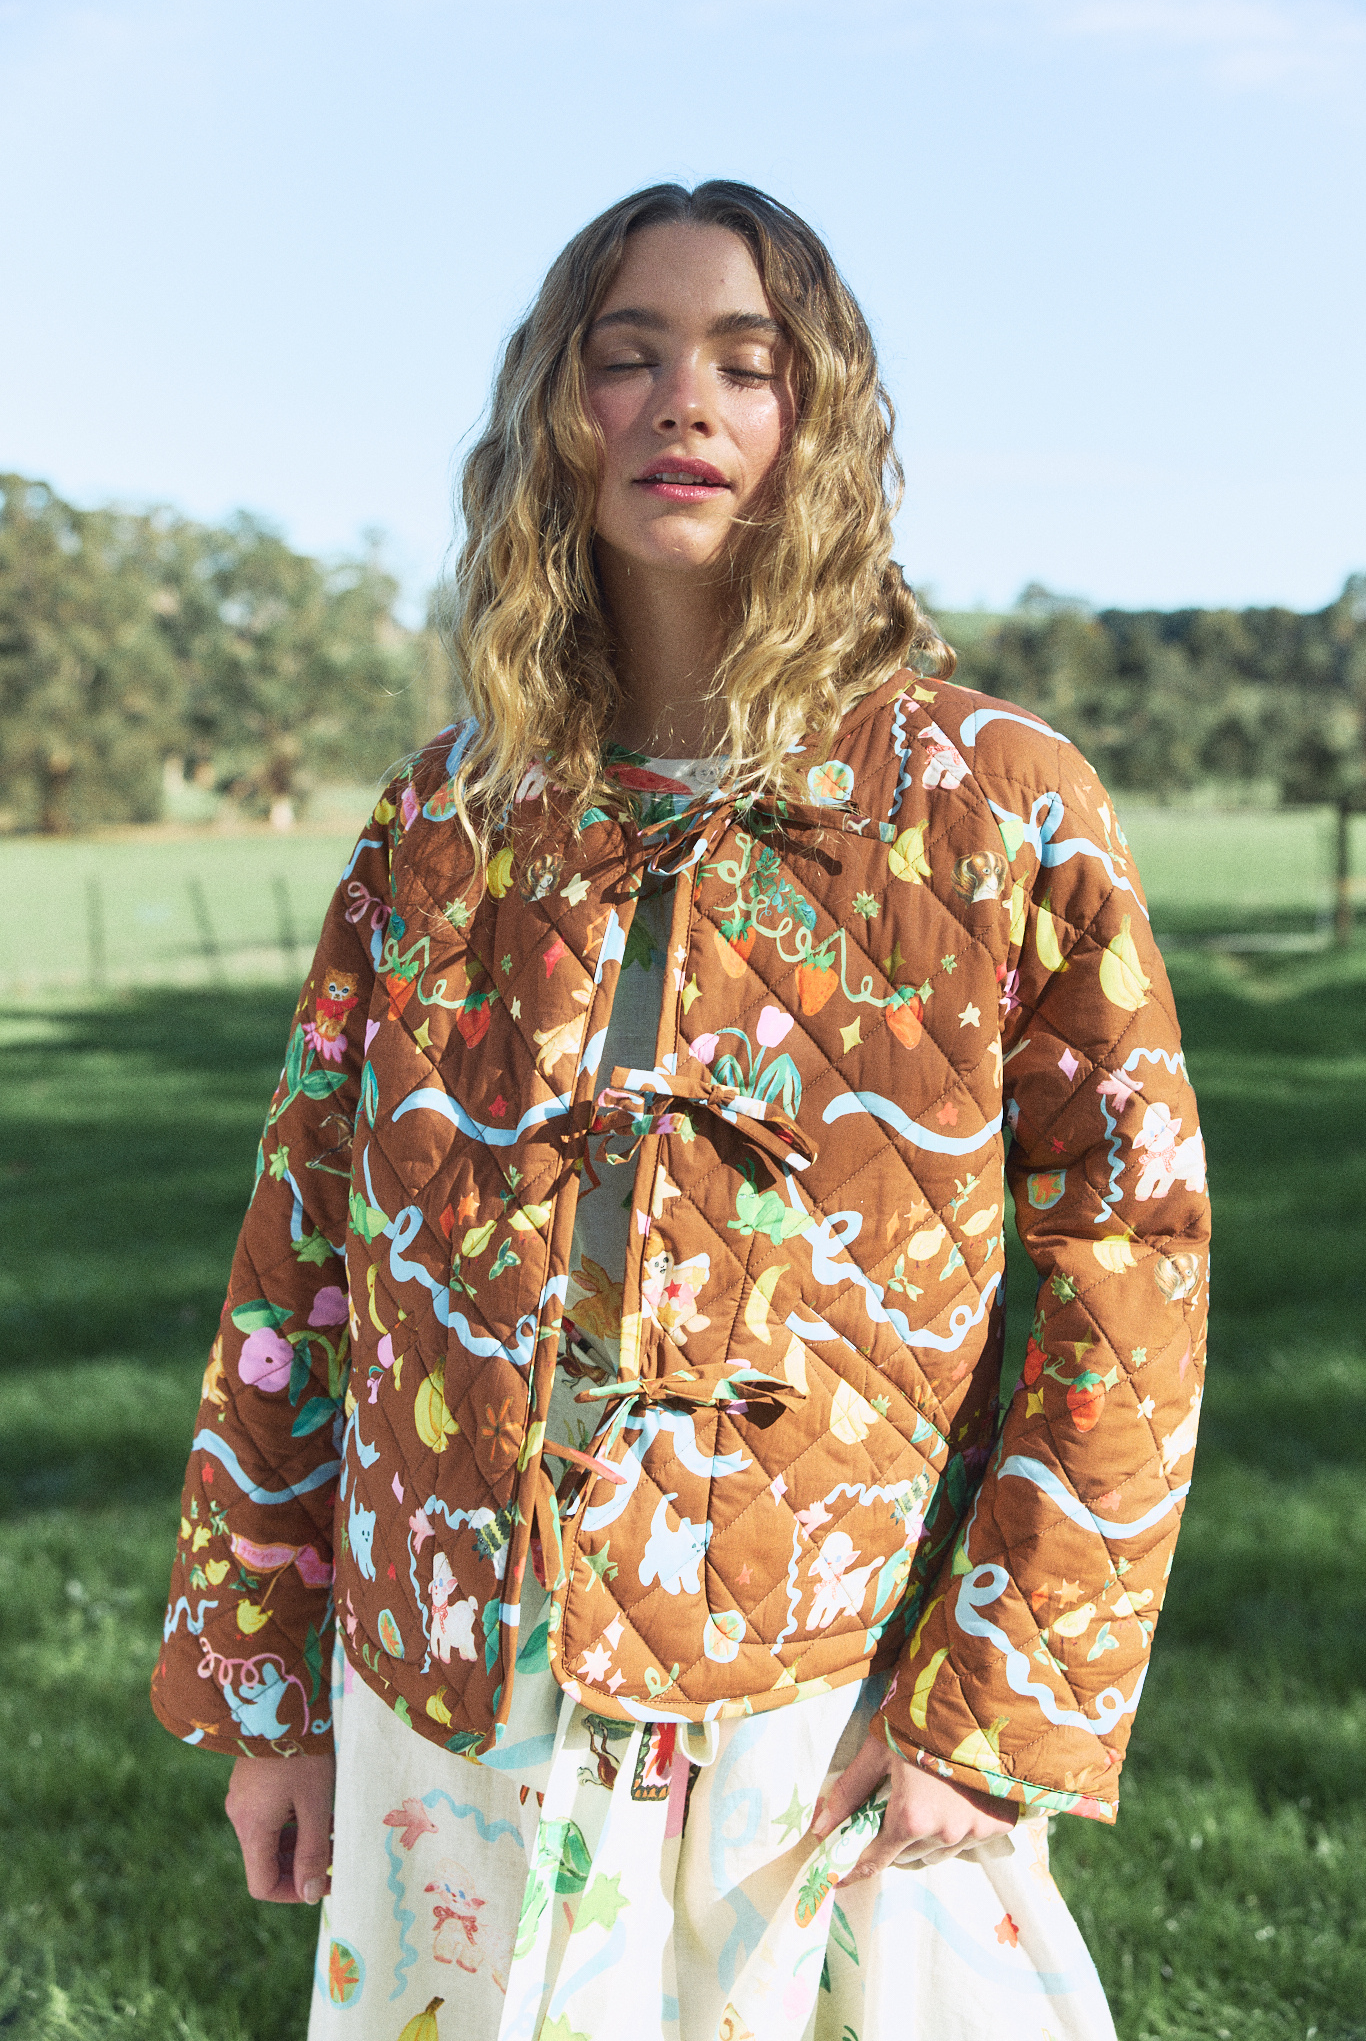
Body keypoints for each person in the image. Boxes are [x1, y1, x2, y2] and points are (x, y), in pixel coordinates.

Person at [153, 181, 1211, 2041]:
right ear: (552, 414)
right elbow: (304, 1250)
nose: (682, 406)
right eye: (623, 357)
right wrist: (268, 1688)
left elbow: (1132, 1268)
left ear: (825, 421)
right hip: (456, 1671)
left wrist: (997, 1700)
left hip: (824, 1680)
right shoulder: (444, 821)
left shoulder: (996, 801)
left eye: (747, 364)